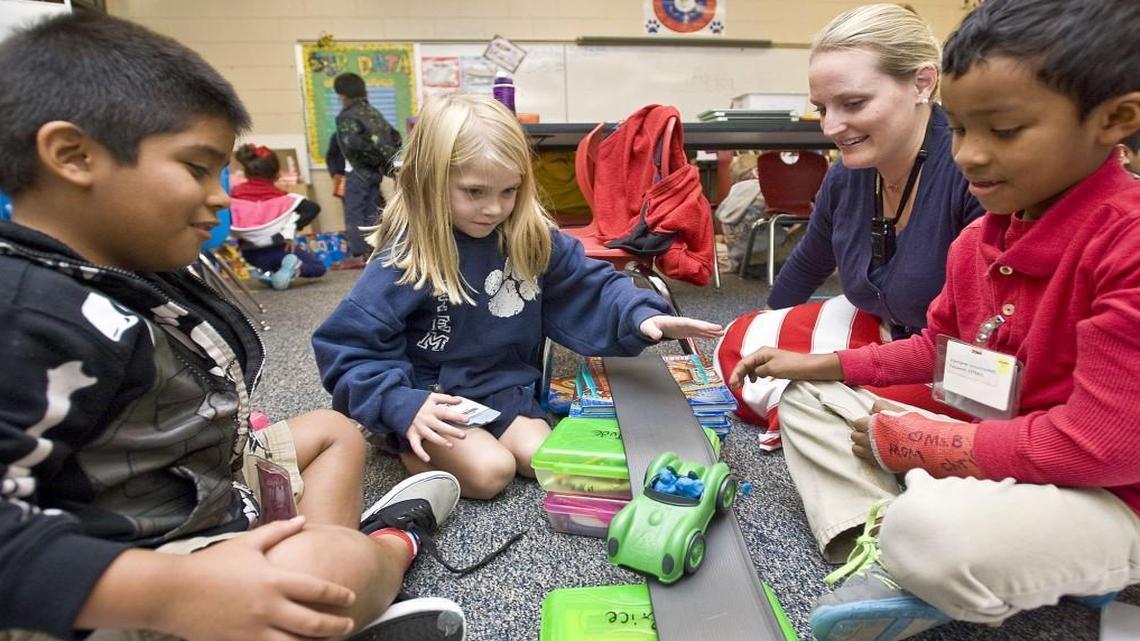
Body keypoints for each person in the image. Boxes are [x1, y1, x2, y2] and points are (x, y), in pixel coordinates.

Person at [0, 14, 466, 641]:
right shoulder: (25, 311)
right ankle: (386, 550)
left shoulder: (115, 268)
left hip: (191, 485)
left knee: (333, 431)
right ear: (72, 156)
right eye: (196, 168)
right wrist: (174, 596)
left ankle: (315, 590)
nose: (220, 197)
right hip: (132, 568)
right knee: (324, 566)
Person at [729, 0, 1140, 639]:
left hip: (1113, 492)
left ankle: (921, 539)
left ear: (1114, 120)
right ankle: (880, 544)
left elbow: (1104, 448)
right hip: (1005, 439)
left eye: (1002, 132)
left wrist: (940, 448)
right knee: (805, 398)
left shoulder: (1127, 243)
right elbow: (938, 351)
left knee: (933, 530)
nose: (972, 157)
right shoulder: (978, 241)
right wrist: (824, 364)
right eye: (961, 131)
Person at [312, 94, 723, 500]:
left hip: (500, 386)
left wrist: (640, 315)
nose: (494, 209)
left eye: (508, 191)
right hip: (429, 396)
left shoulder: (527, 235)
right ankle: (402, 445)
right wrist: (398, 404)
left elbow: (588, 284)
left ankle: (441, 442)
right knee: (493, 472)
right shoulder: (406, 256)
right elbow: (348, 345)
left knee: (541, 458)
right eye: (474, 192)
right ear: (429, 180)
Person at [716, 2, 985, 443]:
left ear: (922, 83)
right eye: (822, 108)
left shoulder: (972, 173)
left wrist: (824, 367)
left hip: (954, 357)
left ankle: (866, 427)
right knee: (739, 341)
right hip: (886, 328)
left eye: (853, 103)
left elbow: (980, 348)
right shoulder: (847, 174)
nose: (832, 126)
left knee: (812, 398)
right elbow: (811, 258)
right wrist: (768, 321)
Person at [230, 143, 326, 290]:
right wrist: (292, 225)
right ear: (276, 172)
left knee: (281, 262)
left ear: (246, 170)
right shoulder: (283, 198)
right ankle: (293, 269)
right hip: (280, 250)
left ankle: (274, 275)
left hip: (250, 254)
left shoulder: (233, 195)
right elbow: (313, 209)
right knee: (318, 267)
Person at [330, 73, 401, 269]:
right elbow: (394, 137)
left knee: (354, 211)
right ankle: (375, 252)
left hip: (358, 171)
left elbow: (352, 145)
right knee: (372, 210)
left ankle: (359, 254)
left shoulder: (346, 116)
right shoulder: (373, 112)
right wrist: (381, 164)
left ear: (341, 95)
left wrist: (367, 161)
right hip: (375, 171)